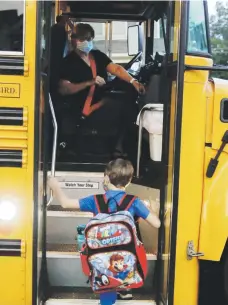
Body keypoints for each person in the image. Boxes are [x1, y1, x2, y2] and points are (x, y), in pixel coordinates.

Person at [48, 158, 161, 305]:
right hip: (125, 257)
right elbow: (156, 223)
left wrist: (55, 186)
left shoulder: (95, 200)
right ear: (129, 181)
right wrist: (146, 208)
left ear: (106, 178)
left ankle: (109, 298)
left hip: (102, 256)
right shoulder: (134, 201)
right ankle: (124, 288)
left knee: (104, 268)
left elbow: (65, 203)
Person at [58, 23, 145, 157]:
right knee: (126, 110)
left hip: (100, 103)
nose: (86, 43)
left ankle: (122, 147)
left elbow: (116, 69)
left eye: (89, 39)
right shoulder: (67, 63)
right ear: (74, 40)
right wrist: (89, 83)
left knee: (128, 104)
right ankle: (120, 149)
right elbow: (65, 89)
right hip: (82, 110)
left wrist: (133, 82)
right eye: (82, 39)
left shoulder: (97, 56)